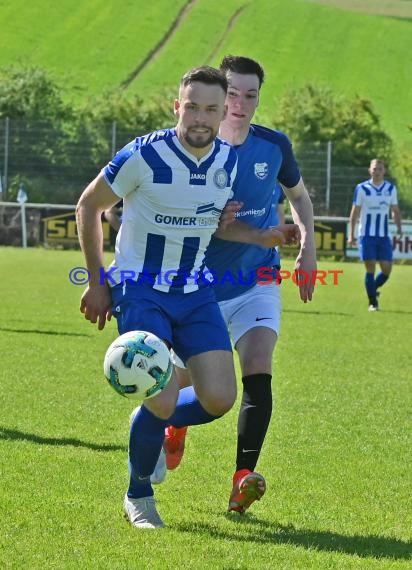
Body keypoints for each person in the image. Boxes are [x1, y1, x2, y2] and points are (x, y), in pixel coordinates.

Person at [76, 65, 293, 529]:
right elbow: (88, 205)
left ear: (223, 113)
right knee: (162, 394)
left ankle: (150, 423)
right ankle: (138, 494)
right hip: (141, 289)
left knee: (219, 399)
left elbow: (219, 222)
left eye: (211, 108)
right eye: (192, 106)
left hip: (195, 291)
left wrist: (263, 235)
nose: (200, 116)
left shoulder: (227, 163)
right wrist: (97, 282)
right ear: (177, 106)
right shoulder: (143, 155)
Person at [161, 55, 317, 515]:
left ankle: (242, 477)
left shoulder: (273, 146)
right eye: (232, 94)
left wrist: (307, 246)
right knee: (181, 386)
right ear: (216, 96)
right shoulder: (194, 151)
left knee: (258, 362)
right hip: (201, 288)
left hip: (258, 279)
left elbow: (300, 197)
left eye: (251, 95)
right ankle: (174, 427)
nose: (240, 104)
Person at [348, 158, 402, 311]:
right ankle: (373, 302)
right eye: (374, 168)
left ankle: (372, 289)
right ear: (369, 170)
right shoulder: (362, 188)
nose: (376, 171)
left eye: (379, 169)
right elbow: (355, 212)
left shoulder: (391, 189)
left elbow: (395, 210)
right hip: (366, 235)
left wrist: (398, 227)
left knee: (386, 269)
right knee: (370, 267)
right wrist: (351, 235)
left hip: (383, 235)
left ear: (384, 171)